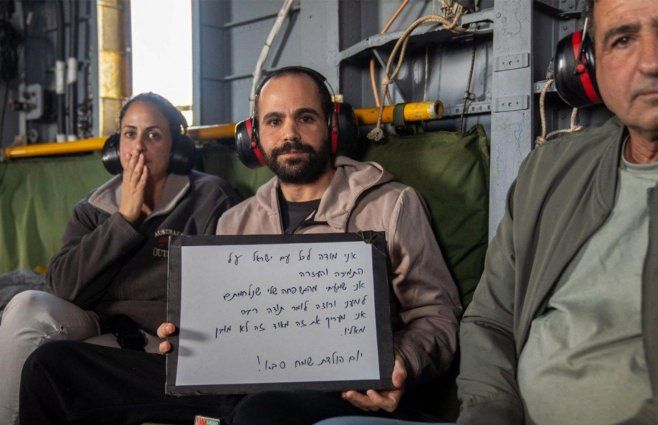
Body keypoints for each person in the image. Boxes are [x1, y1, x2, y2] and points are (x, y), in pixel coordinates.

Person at [19, 67, 462, 425]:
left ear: (332, 126)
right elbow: (215, 326)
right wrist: (186, 338)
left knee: (258, 412)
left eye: (305, 117)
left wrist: (404, 358)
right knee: (52, 365)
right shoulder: (235, 221)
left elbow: (437, 316)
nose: (289, 133)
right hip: (233, 385)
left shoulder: (392, 204)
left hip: (339, 387)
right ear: (254, 137)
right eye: (274, 121)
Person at [456, 0, 658, 424]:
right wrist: (489, 413)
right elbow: (491, 319)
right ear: (588, 66)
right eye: (623, 40)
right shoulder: (546, 172)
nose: (651, 62)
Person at [0, 92, 240, 424]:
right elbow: (63, 287)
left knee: (53, 369)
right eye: (130, 133)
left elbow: (225, 292)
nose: (138, 146)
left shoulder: (211, 198)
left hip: (166, 342)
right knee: (27, 305)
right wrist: (124, 221)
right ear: (116, 146)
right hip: (102, 325)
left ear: (177, 148)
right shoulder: (94, 207)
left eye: (153, 135)